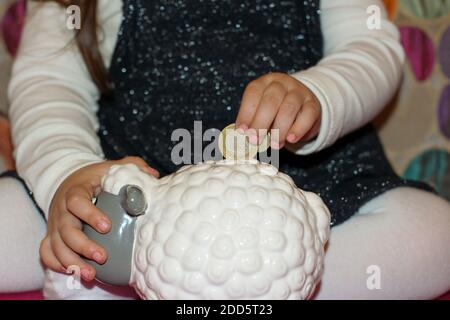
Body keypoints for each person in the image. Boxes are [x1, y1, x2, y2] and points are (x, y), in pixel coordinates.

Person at [2, 0, 450, 299]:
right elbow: (49, 88)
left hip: (305, 194)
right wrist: (70, 174)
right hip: (137, 202)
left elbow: (371, 47)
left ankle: (272, 281)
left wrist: (318, 94)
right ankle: (134, 273)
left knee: (436, 235)